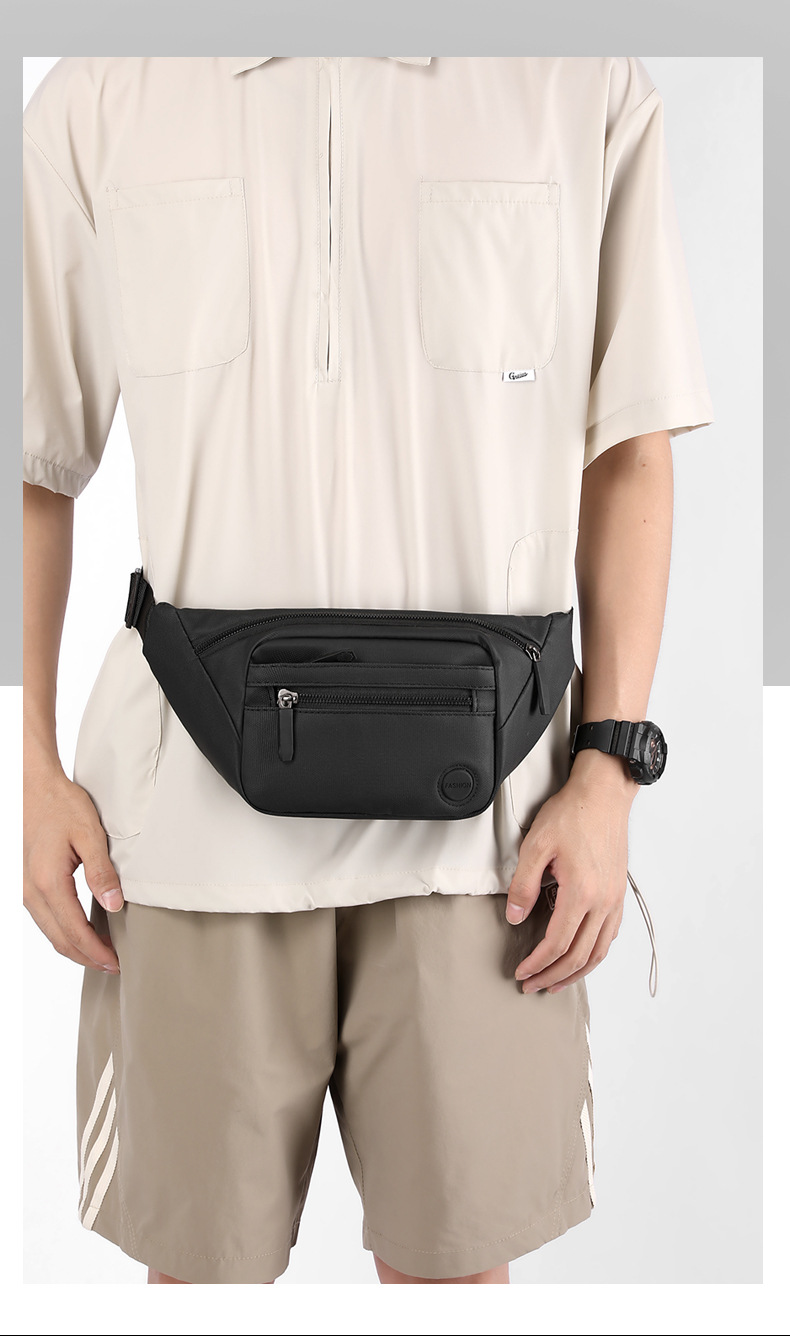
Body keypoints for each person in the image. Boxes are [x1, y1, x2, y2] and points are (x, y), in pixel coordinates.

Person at [22, 57, 714, 1285]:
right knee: (198, 1284)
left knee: (457, 1280)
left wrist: (608, 772)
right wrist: (26, 766)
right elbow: (30, 458)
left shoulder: (575, 80)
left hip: (491, 843)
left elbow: (631, 446)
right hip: (187, 834)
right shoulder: (106, 93)